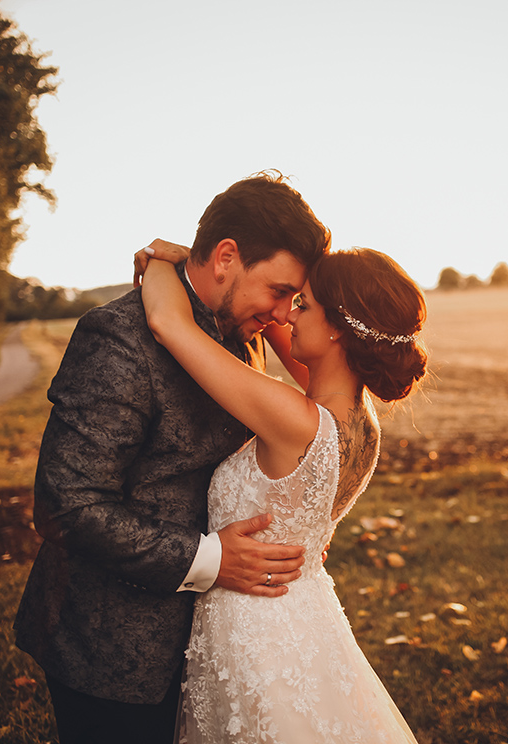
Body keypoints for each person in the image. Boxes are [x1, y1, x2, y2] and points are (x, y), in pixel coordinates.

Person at [13, 171, 330, 744]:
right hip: (112, 647)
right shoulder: (117, 339)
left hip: (219, 642)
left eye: (294, 299)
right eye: (280, 292)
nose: (285, 314)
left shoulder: (242, 328)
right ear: (227, 256)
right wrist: (210, 560)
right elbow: (66, 505)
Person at [139, 243, 427, 743]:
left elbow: (168, 323)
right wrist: (215, 263)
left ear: (337, 327)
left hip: (255, 635)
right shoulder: (361, 422)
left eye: (303, 304)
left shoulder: (295, 421)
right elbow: (266, 312)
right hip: (303, 619)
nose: (286, 313)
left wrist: (167, 260)